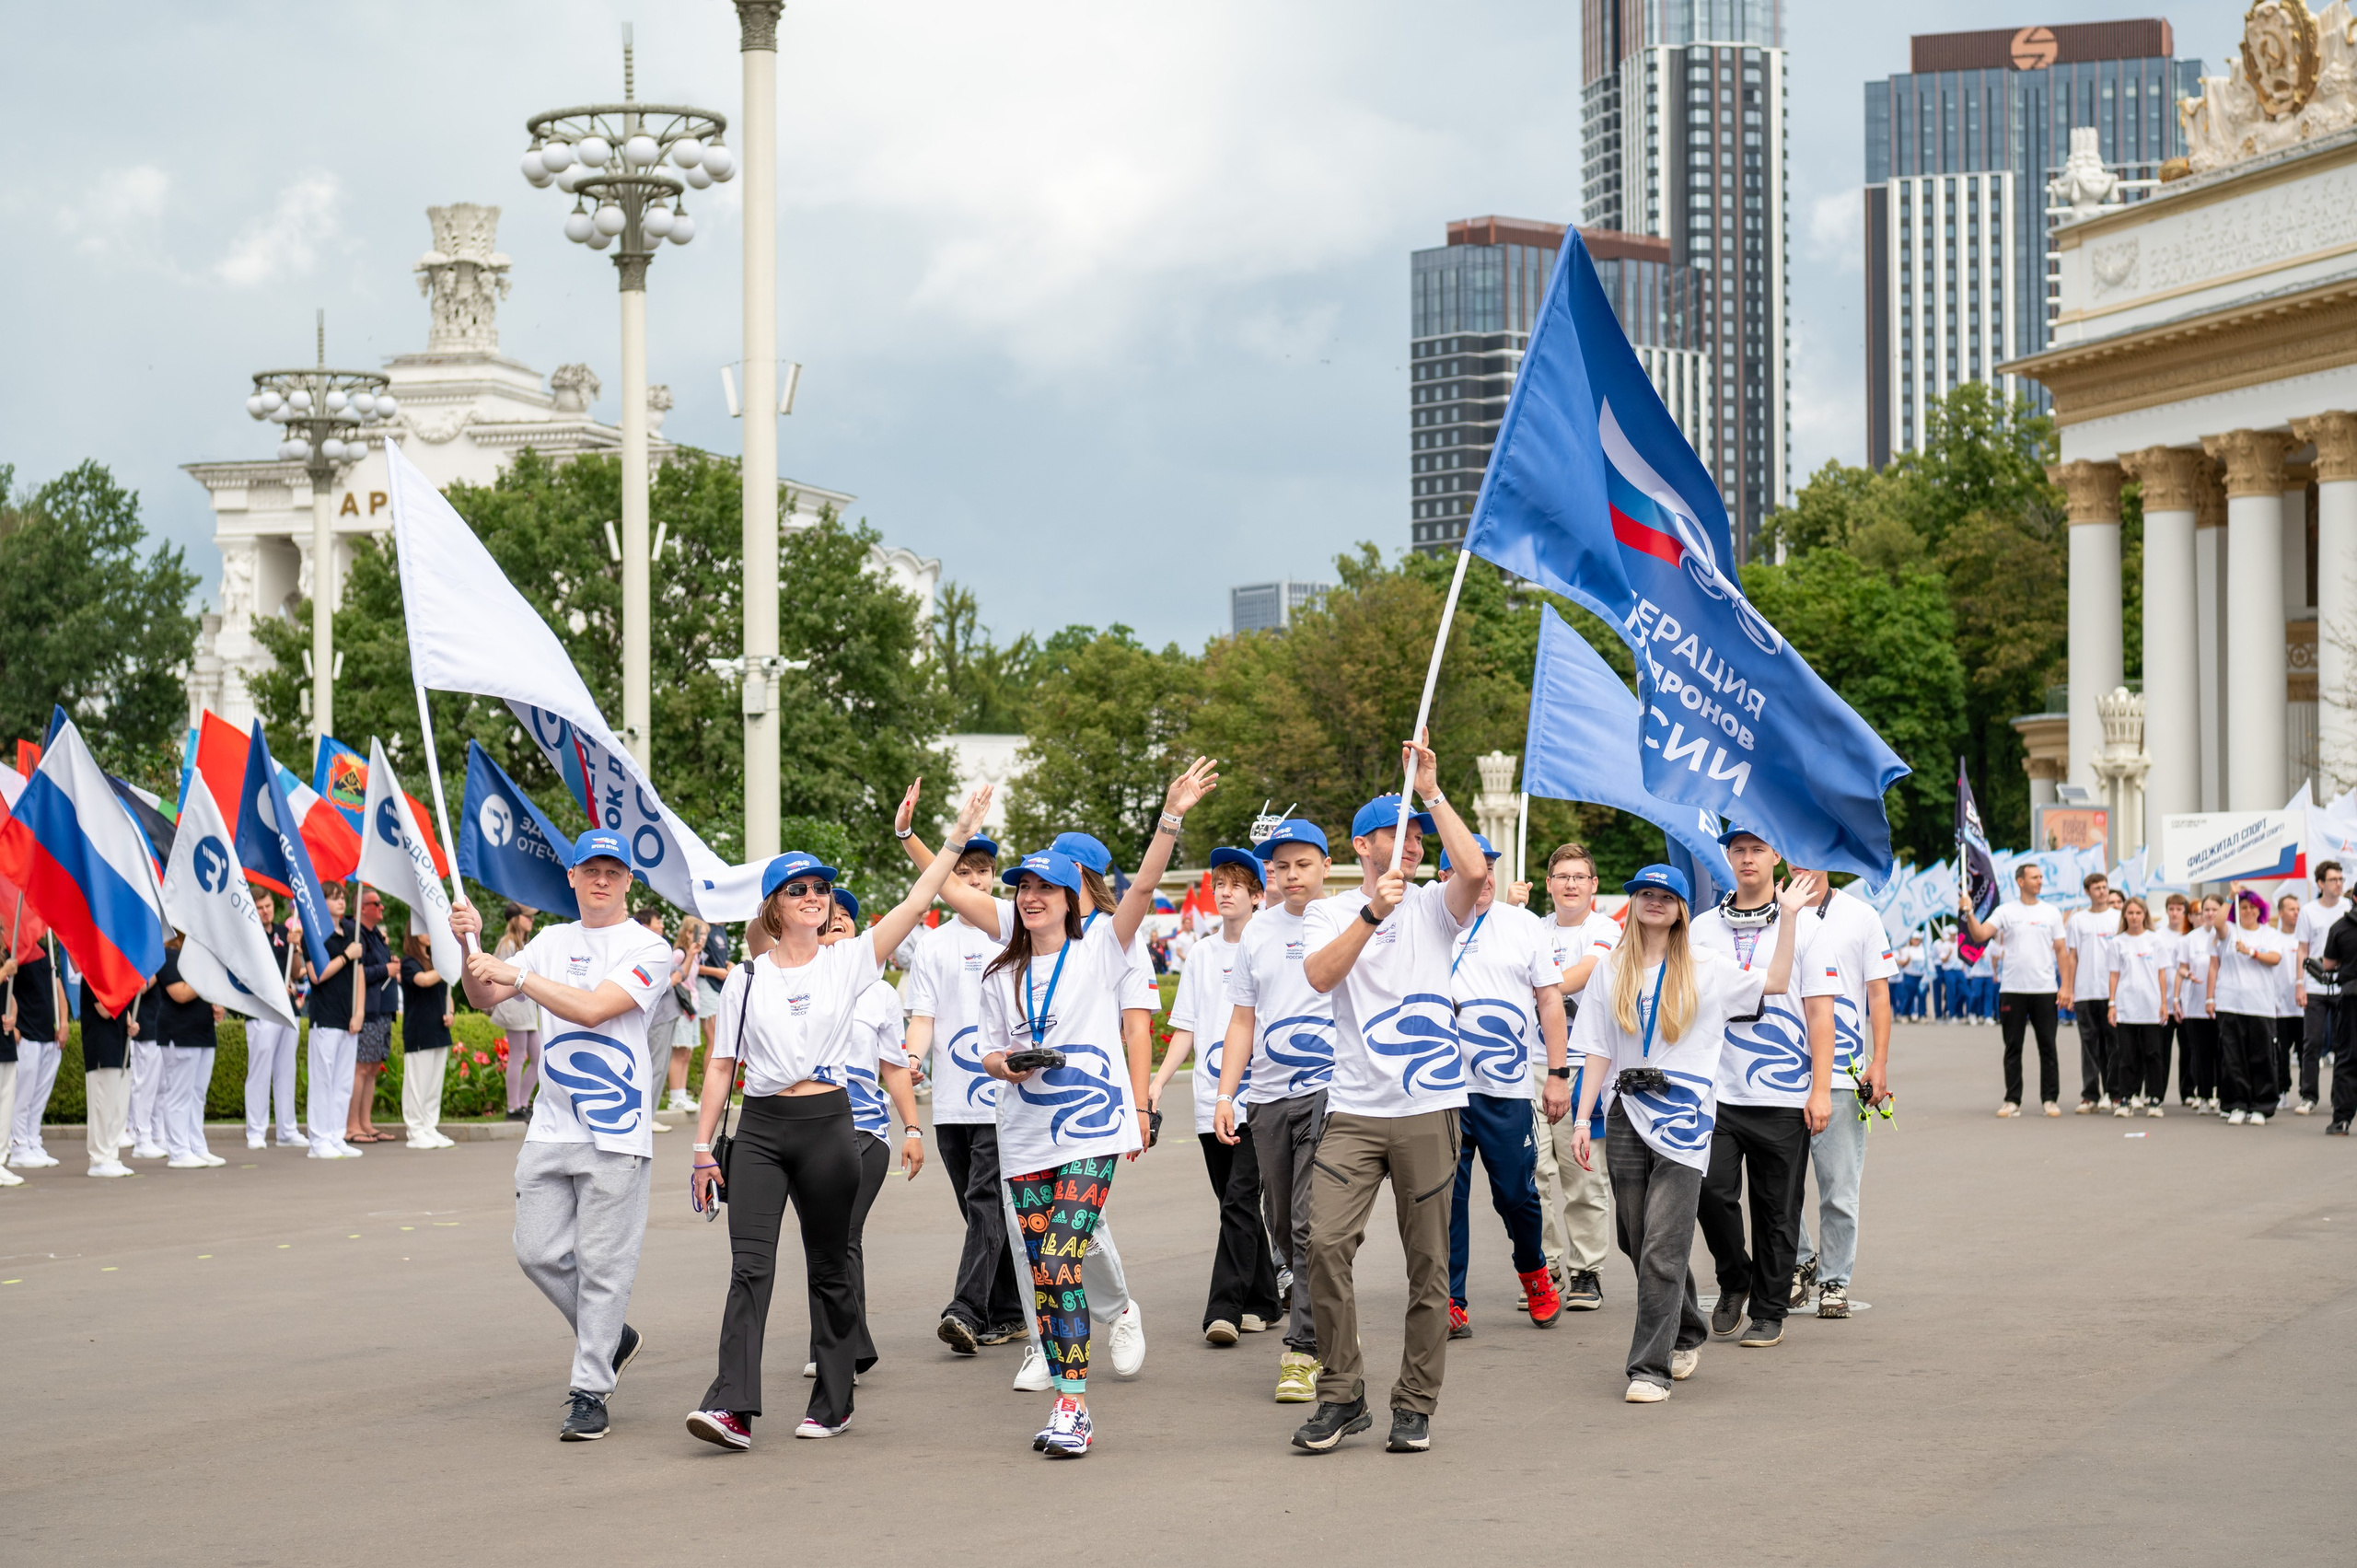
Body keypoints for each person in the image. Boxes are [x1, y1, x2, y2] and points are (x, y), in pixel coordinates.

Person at [681, 788, 993, 1453]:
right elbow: (718, 1068)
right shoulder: (744, 977)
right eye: (799, 889)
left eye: (820, 888)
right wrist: (703, 1148)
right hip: (762, 1129)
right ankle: (732, 1404)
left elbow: (916, 903)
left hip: (830, 1125)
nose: (813, 897)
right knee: (750, 1267)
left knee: (829, 1267)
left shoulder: (851, 960)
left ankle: (834, 1396)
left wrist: (958, 834)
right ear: (774, 905)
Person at [975, 763, 1209, 1458]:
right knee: (1049, 1271)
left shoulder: (1102, 948)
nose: (1033, 897)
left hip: (1091, 1130)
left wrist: (1169, 816)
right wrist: (1009, 1063)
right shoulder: (1001, 973)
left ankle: (1073, 1407)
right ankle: (1069, 1397)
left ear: (1075, 898)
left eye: (1048, 886)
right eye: (1025, 887)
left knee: (1058, 1253)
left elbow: (1139, 887)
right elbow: (990, 1054)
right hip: (1023, 1135)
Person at [1288, 740, 1486, 1458]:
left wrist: (1432, 792)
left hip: (1429, 1109)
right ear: (1362, 842)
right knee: (1324, 1242)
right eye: (1397, 832)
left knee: (1428, 1264)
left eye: (1417, 836)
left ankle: (1416, 1401)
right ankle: (1342, 1394)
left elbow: (1475, 869)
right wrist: (1371, 912)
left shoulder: (1437, 905)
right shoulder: (1332, 909)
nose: (1410, 844)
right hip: (1354, 1109)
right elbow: (1319, 975)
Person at [451, 830, 679, 1443]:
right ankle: (612, 1334)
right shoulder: (551, 940)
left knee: (604, 1264)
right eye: (590, 870)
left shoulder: (650, 947)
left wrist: (518, 978)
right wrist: (466, 945)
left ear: (629, 880)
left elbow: (595, 1008)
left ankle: (589, 1390)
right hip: (552, 1124)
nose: (601, 879)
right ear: (572, 878)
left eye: (613, 870)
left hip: (617, 1128)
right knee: (537, 1251)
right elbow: (484, 995)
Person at [1571, 862, 1818, 1402]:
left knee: (1665, 1243)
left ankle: (1649, 1369)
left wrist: (1792, 918)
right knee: (1635, 1239)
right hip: (1626, 1113)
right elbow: (1596, 1047)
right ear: (1633, 903)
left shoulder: (1709, 966)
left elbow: (1775, 983)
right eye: (1644, 893)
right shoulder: (1611, 970)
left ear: (1682, 909)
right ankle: (1685, 1328)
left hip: (1684, 1117)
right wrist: (1582, 1118)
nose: (1654, 901)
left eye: (1666, 895)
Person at [891, 795, 1027, 1358]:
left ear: (995, 877)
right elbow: (924, 1014)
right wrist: (913, 1059)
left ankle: (965, 1310)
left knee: (985, 1202)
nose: (973, 879)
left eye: (982, 871)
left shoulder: (1011, 929)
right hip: (950, 1101)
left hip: (1002, 1094)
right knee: (979, 1209)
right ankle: (1012, 1311)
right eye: (962, 870)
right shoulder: (934, 943)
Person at [1211, 818, 1336, 1404]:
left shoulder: (1346, 922)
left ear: (1325, 866)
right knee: (1284, 1225)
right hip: (1267, 1099)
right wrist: (1225, 1095)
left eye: (1301, 864)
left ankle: (1303, 1350)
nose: (1290, 875)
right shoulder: (1258, 933)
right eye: (1280, 866)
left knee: (1311, 1224)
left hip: (1332, 1094)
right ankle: (1328, 1309)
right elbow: (1243, 1020)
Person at [1690, 830, 1831, 1350]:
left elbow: (1820, 1012)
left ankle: (1770, 1311)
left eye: (1757, 850)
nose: (1747, 859)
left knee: (1778, 1209)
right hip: (1717, 1090)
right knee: (1710, 1191)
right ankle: (1735, 1279)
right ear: (1727, 856)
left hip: (1783, 1092)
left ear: (1776, 856)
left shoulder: (1808, 927)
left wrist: (1820, 1089)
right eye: (1738, 850)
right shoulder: (1703, 928)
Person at [1147, 845, 1283, 1349]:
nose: (1225, 893)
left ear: (1256, 895)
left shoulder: (1271, 947)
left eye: (1235, 885)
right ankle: (1264, 1301)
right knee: (1234, 1204)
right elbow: (1185, 1027)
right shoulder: (1202, 953)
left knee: (1240, 1199)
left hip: (1260, 1098)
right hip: (1211, 1101)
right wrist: (1159, 1083)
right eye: (1219, 884)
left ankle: (1223, 1308)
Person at [1438, 832, 1568, 1335]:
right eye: (1472, 867)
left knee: (1516, 1192)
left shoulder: (1523, 925)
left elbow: (1550, 1001)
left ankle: (1534, 1269)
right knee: (1445, 1197)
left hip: (1505, 1089)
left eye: (1490, 866)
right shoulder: (1430, 920)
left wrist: (1557, 1075)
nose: (1485, 876)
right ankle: (1450, 1297)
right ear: (1446, 875)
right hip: (1441, 1089)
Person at [809, 889, 926, 1382]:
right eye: (827, 918)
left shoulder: (878, 993)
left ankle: (846, 1347)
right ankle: (831, 1341)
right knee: (821, 1239)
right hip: (808, 1129)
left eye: (845, 917)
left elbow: (894, 1068)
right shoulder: (794, 982)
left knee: (843, 1232)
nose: (836, 922)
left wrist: (914, 1128)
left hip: (864, 1131)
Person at [1790, 869, 1898, 1320]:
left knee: (1838, 1186)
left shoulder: (1860, 916)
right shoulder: (1771, 912)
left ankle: (1834, 1279)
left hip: (1842, 1073)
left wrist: (1879, 1061)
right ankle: (1798, 1262)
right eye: (1791, 855)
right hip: (1779, 1076)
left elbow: (1878, 993)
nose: (1800, 866)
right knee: (1779, 1186)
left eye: (1809, 855)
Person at [1532, 842, 1620, 1314]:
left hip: (1585, 1064)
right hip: (1528, 1063)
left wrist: (1537, 983)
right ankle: (1546, 1267)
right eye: (1561, 876)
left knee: (1582, 1173)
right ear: (1549, 884)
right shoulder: (1531, 928)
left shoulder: (1604, 929)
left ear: (1593, 886)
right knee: (1533, 1174)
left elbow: (1583, 975)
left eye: (1578, 877)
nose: (1570, 884)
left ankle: (1589, 1269)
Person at [1958, 863, 2068, 1117]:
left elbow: (2062, 951)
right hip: (2013, 989)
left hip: (2045, 989)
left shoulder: (2051, 912)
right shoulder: (2006, 911)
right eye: (2034, 877)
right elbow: (1979, 934)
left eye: (2041, 877)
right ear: (2020, 881)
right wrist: (1969, 913)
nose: (2039, 881)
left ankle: (2050, 1099)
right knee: (2012, 1046)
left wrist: (2066, 987)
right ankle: (2012, 1100)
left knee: (2048, 1046)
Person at [2208, 889, 2289, 1125]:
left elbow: (2275, 958)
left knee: (2262, 1056)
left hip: (2260, 1005)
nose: (2248, 911)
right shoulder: (2230, 932)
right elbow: (2218, 922)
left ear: (2260, 910)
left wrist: (2251, 952)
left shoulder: (2269, 934)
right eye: (2243, 907)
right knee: (2234, 1057)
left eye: (2253, 907)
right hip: (2231, 1004)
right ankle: (2236, 1104)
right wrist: (2231, 896)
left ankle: (2261, 1106)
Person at [155, 935, 226, 1169]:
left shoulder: (195, 957)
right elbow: (181, 993)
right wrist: (207, 974)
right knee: (179, 1093)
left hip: (202, 1032)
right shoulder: (167, 955)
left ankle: (197, 1146)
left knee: (197, 1095)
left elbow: (202, 991)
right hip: (179, 1032)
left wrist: (216, 1004)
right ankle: (178, 1151)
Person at [303, 884, 365, 1159]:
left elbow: (359, 974)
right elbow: (317, 975)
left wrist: (360, 1011)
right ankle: (318, 1140)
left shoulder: (351, 933)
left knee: (342, 1082)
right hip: (325, 1018)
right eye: (334, 897)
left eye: (342, 898)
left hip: (347, 1017)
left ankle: (336, 1135)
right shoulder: (315, 934)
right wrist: (345, 956)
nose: (341, 902)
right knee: (322, 1080)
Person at [241, 890, 304, 1151]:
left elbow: (297, 972)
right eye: (260, 907)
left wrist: (295, 947)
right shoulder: (247, 935)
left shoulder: (282, 932)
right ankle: (255, 1131)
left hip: (288, 1010)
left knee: (286, 1070)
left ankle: (287, 1130)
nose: (265, 911)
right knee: (259, 1071)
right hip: (261, 1011)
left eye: (268, 905)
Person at [2107, 898, 2173, 1119]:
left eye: (2138, 913)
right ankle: (2125, 1098)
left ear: (2145, 915)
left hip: (2151, 1006)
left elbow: (2162, 973)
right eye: (2130, 913)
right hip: (2126, 1007)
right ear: (2124, 916)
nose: (2134, 917)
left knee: (2153, 1054)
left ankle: (2155, 1098)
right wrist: (2112, 1003)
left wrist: (2164, 1003)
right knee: (2126, 1055)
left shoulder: (2155, 941)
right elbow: (2114, 974)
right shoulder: (2118, 942)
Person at [6, 936, 68, 1169]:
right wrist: (13, 1025)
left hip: (48, 1036)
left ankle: (33, 1141)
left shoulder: (46, 953)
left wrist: (63, 1023)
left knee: (39, 1098)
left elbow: (58, 987)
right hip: (27, 1037)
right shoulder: (14, 952)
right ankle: (19, 1145)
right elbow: (6, 989)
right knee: (22, 1097)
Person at [2062, 873, 2120, 1113]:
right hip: (2086, 990)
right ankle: (2090, 1095)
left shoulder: (2118, 918)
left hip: (2111, 992)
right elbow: (2072, 956)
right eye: (2097, 888)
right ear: (2088, 891)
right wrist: (2069, 988)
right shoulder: (2078, 920)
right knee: (2089, 1044)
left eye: (2105, 887)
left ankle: (2113, 1093)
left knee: (2113, 1044)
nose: (2102, 891)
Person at [346, 889, 398, 1144]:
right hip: (366, 1009)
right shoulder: (356, 933)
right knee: (361, 1067)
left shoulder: (376, 935)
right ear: (362, 907)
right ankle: (351, 1124)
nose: (382, 907)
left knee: (373, 1068)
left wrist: (391, 964)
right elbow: (358, 971)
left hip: (382, 1009)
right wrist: (386, 968)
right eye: (376, 903)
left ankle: (364, 1122)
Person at [2294, 863, 2345, 1117]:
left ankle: (2340, 1098)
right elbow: (2303, 950)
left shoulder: (2349, 909)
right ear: (2321, 883)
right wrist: (2299, 984)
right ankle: (2308, 1096)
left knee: (2342, 1045)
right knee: (2312, 1043)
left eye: (2341, 878)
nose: (2339, 883)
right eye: (2333, 879)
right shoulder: (2308, 911)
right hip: (2315, 984)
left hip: (2343, 985)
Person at [401, 931, 457, 1149]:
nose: (430, 933)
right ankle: (415, 1131)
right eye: (424, 929)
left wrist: (450, 1012)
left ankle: (429, 1126)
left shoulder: (434, 963)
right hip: (419, 1032)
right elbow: (422, 981)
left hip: (438, 1031)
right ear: (413, 934)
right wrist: (445, 967)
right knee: (417, 1084)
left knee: (433, 1084)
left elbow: (446, 994)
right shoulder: (409, 963)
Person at [79, 975, 136, 1178]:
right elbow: (104, 1010)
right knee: (103, 1106)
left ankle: (111, 1155)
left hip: (119, 1045)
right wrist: (128, 986)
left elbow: (123, 1013)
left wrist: (130, 1023)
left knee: (118, 1105)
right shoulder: (93, 976)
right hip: (101, 1048)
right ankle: (99, 1159)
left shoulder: (113, 978)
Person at [493, 905, 542, 1121]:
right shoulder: (508, 944)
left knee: (538, 1057)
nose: (531, 920)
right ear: (515, 919)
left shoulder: (523, 944)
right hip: (514, 1007)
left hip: (526, 1008)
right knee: (518, 1055)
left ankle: (522, 1104)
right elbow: (503, 977)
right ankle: (513, 1107)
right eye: (527, 917)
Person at [2314, 899, 2357, 1132]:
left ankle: (2342, 1119)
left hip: (2352, 996)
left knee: (2348, 1057)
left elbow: (2328, 964)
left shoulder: (2340, 927)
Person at [665, 917, 710, 1114]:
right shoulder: (678, 954)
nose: (701, 938)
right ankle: (675, 1097)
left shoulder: (697, 955)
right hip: (681, 1006)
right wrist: (691, 954)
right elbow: (674, 978)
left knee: (687, 1052)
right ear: (686, 933)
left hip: (692, 1006)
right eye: (697, 933)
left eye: (705, 934)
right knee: (679, 1051)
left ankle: (681, 1094)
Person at [2273, 893, 2305, 1113]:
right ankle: (2282, 1091)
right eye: (2291, 909)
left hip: (2303, 1006)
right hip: (2279, 1006)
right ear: (2281, 913)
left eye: (2298, 908)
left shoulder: (2304, 940)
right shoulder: (2272, 938)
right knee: (2281, 1053)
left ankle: (2307, 1093)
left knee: (2306, 1053)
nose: (2296, 913)